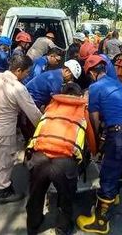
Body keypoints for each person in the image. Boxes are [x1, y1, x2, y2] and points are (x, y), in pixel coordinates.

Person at [76, 55, 122, 234]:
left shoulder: (96, 87)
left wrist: (96, 139)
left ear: (92, 73)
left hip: (118, 135)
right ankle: (114, 196)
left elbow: (94, 118)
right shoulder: (117, 82)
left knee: (108, 174)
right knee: (121, 168)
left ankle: (100, 221)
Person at [25, 83, 97, 235]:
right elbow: (90, 138)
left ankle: (33, 225)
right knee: (66, 197)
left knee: (36, 195)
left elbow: (40, 128)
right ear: (79, 96)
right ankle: (62, 228)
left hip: (39, 157)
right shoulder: (82, 111)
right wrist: (95, 152)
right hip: (65, 162)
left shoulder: (51, 107)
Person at [0, 55, 42, 204]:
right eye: (27, 72)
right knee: (5, 160)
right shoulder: (18, 88)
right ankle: (4, 190)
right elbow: (33, 112)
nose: (27, 75)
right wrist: (43, 128)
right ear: (18, 70)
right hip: (4, 129)